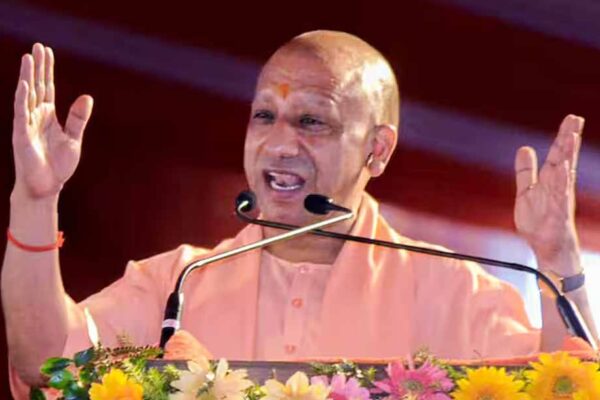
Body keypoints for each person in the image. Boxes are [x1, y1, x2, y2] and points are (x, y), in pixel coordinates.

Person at [2, 31, 597, 398]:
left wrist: (557, 259)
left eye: (312, 122)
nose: (279, 144)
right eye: (264, 116)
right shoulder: (178, 282)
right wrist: (34, 200)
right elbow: (46, 366)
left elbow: (566, 387)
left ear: (378, 150)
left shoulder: (453, 290)